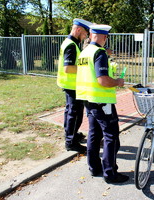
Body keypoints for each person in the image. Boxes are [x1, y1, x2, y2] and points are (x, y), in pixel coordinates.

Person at [76, 24, 129, 183]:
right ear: (104, 37)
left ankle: (94, 167)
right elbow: (103, 80)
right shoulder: (99, 52)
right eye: (106, 37)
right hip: (102, 102)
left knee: (94, 135)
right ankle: (110, 173)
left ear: (91, 34)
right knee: (111, 136)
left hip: (88, 100)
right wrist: (118, 82)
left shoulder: (84, 52)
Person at [57, 18, 92, 153]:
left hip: (69, 84)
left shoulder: (71, 42)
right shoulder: (71, 45)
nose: (85, 37)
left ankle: (72, 135)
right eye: (84, 33)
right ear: (78, 30)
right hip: (72, 85)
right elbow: (68, 68)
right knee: (75, 114)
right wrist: (86, 68)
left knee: (70, 112)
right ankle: (71, 143)